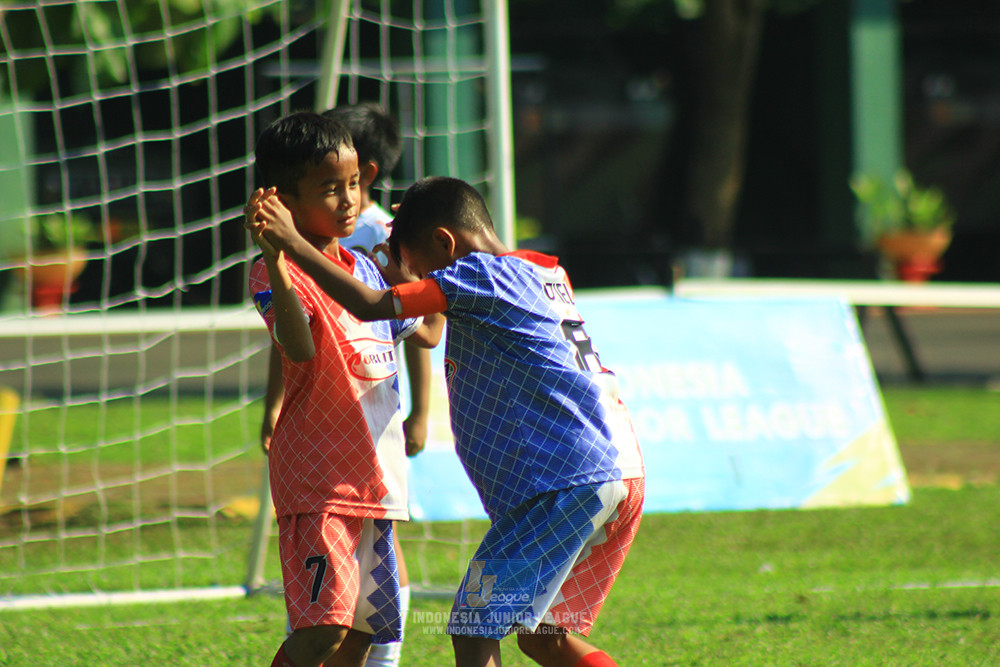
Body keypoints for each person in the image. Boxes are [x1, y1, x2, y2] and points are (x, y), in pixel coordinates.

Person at [245, 176, 645, 667]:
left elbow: (370, 305)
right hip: (621, 467)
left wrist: (291, 244)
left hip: (565, 478)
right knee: (545, 635)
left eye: (424, 268)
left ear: (445, 242)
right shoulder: (545, 272)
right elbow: (429, 326)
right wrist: (407, 254)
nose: (427, 282)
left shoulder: (480, 274)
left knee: (473, 628)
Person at [247, 111, 443, 667]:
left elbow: (426, 330)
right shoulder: (272, 273)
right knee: (322, 632)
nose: (349, 200)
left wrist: (421, 267)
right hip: (320, 483)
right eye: (330, 189)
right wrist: (275, 261)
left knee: (362, 634)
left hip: (374, 481)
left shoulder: (365, 268)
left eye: (354, 184)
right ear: (281, 201)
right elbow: (299, 348)